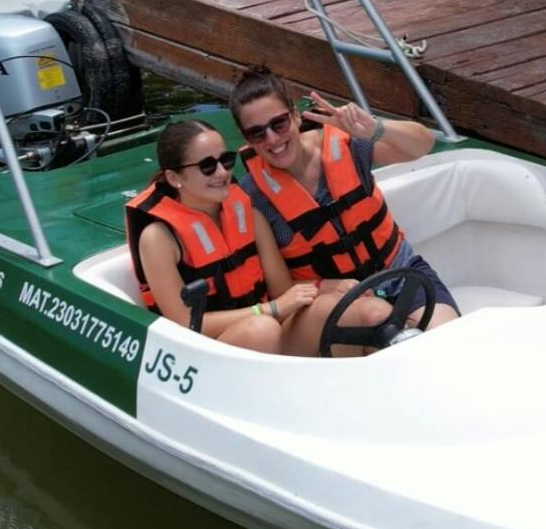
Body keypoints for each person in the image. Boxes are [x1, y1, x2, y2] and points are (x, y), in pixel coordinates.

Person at [228, 65, 461, 333]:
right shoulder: (253, 197)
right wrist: (324, 286)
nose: (271, 138)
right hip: (334, 302)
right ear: (246, 138)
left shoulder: (349, 146)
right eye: (257, 133)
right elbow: (280, 289)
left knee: (447, 334)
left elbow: (421, 145)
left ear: (294, 116)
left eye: (278, 123)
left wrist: (375, 128)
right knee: (378, 321)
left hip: (401, 274)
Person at [124, 120, 378, 356]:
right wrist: (268, 310)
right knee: (260, 329)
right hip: (204, 355)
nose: (222, 172)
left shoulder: (250, 217)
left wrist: (325, 287)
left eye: (225, 160)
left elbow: (281, 291)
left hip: (266, 332)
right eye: (207, 166)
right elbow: (184, 323)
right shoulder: (158, 238)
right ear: (174, 178)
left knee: (336, 306)